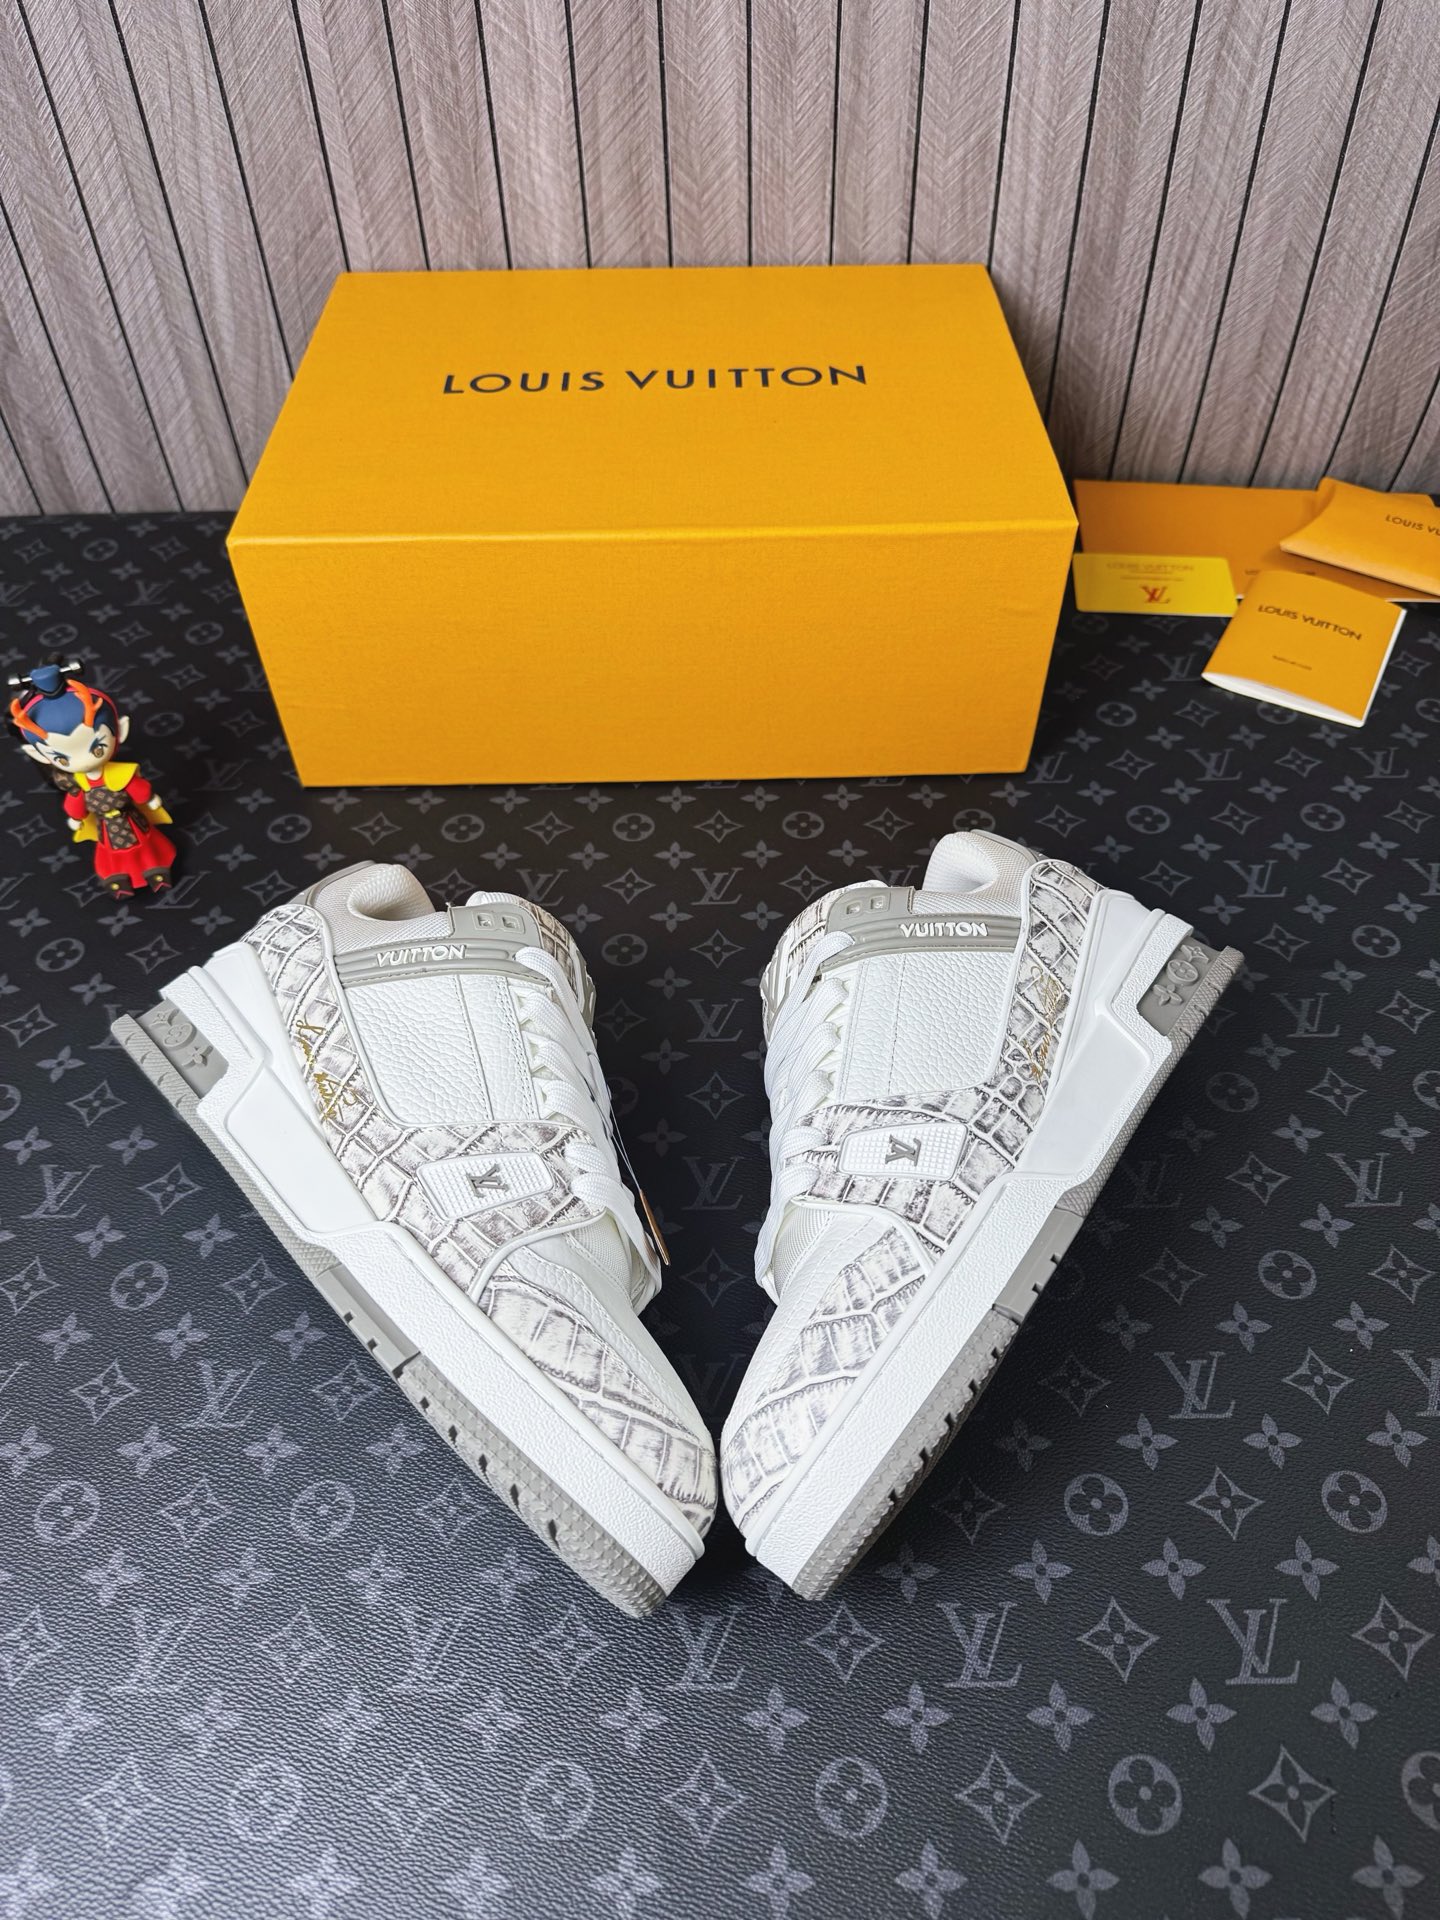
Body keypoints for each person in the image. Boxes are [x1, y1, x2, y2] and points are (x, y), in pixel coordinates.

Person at [8, 661, 176, 897]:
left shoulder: (121, 774)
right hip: (106, 825)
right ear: (40, 756)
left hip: (130, 819)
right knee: (112, 852)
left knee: (144, 844)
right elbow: (76, 804)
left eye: (97, 748)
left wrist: (148, 798)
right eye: (62, 758)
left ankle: (155, 870)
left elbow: (138, 789)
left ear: (120, 731)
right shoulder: (78, 785)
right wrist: (76, 817)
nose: (83, 761)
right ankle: (120, 879)